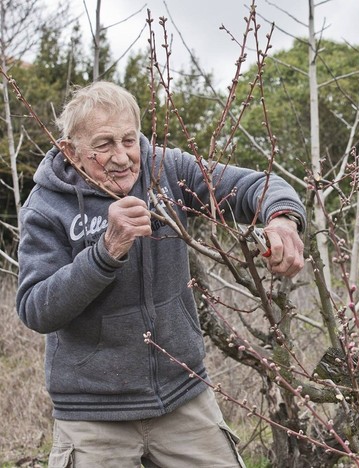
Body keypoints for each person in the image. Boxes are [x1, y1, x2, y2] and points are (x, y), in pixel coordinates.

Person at [16, 81, 306, 467]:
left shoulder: (166, 170)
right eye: (104, 145)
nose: (121, 157)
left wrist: (283, 220)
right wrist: (105, 252)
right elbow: (36, 309)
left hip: (182, 393)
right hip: (92, 412)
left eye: (129, 140)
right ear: (72, 151)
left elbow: (253, 185)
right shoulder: (46, 206)